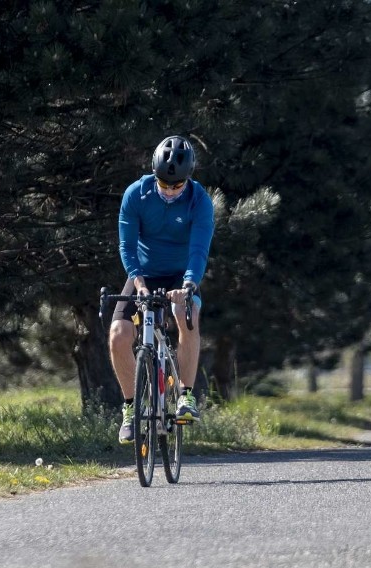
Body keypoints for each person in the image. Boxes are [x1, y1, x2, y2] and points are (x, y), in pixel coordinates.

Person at [109, 135, 215, 444]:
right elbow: (126, 246)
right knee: (118, 334)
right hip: (143, 272)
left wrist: (188, 284)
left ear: (188, 180)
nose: (169, 191)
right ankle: (130, 409)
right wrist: (138, 283)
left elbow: (199, 250)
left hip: (181, 274)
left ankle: (185, 396)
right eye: (164, 184)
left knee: (188, 312)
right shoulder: (135, 194)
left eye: (176, 186)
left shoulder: (199, 200)